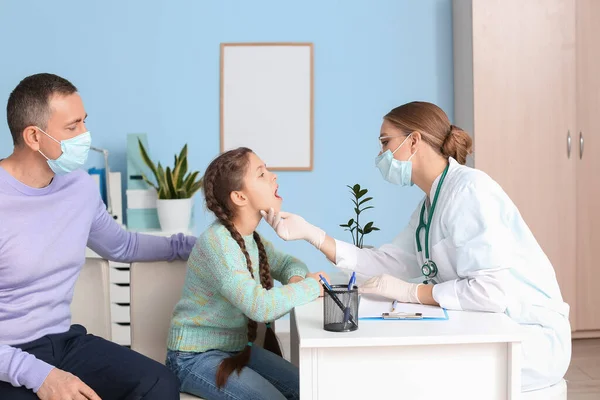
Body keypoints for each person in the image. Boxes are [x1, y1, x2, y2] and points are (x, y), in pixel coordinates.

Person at [260, 101, 571, 392]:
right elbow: (389, 263)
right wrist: (312, 234)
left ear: (413, 141)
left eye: (385, 142)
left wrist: (412, 293)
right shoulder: (431, 205)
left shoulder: (470, 191)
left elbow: (490, 292)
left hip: (527, 337)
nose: (380, 154)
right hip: (486, 327)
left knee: (402, 377)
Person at [0, 73, 196, 400]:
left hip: (63, 342)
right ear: (34, 136)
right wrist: (39, 375)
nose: (86, 136)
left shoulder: (78, 188)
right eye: (72, 127)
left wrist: (191, 246)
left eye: (84, 122)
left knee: (158, 385)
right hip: (7, 357)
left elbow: (122, 245)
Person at [165, 147, 327, 400]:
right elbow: (259, 307)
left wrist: (297, 280)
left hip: (237, 349)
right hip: (194, 357)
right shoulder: (218, 243)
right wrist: (311, 287)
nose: (273, 176)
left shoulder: (250, 238)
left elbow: (290, 264)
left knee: (311, 391)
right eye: (261, 174)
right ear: (239, 197)